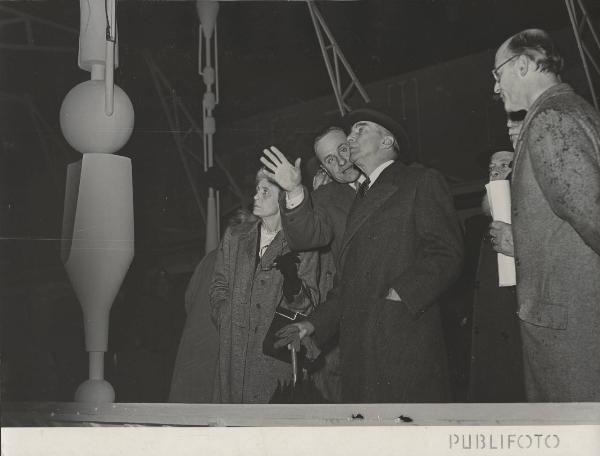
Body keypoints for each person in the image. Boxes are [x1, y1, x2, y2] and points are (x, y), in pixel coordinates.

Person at [276, 108, 464, 403]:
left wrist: (399, 294)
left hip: (401, 340)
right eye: (350, 132)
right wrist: (314, 324)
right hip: (362, 347)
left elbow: (446, 252)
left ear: (387, 141)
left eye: (359, 130)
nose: (350, 139)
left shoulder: (419, 180)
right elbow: (348, 283)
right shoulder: (360, 196)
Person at [492, 28, 600, 401]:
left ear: (522, 65)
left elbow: (590, 212)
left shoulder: (549, 120)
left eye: (497, 75)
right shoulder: (575, 111)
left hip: (569, 326)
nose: (495, 88)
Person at [210, 169, 320, 404]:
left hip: (272, 359)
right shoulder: (236, 236)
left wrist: (293, 285)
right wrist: (223, 315)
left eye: (265, 191)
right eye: (257, 190)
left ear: (283, 199)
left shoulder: (303, 243)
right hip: (233, 352)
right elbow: (219, 283)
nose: (256, 197)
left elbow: (310, 306)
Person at [169, 209, 257, 403]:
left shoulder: (210, 258)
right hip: (218, 346)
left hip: (194, 344)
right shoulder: (246, 259)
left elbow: (188, 299)